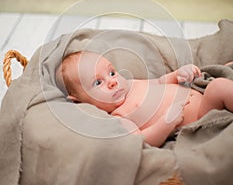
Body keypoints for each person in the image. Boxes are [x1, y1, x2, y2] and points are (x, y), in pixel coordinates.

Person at [56, 51, 233, 147]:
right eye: (97, 82)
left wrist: (180, 73)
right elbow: (142, 140)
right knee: (219, 87)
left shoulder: (132, 84)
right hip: (201, 120)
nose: (112, 82)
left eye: (111, 72)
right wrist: (166, 123)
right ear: (78, 101)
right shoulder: (119, 117)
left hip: (201, 96)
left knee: (219, 79)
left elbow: (160, 81)